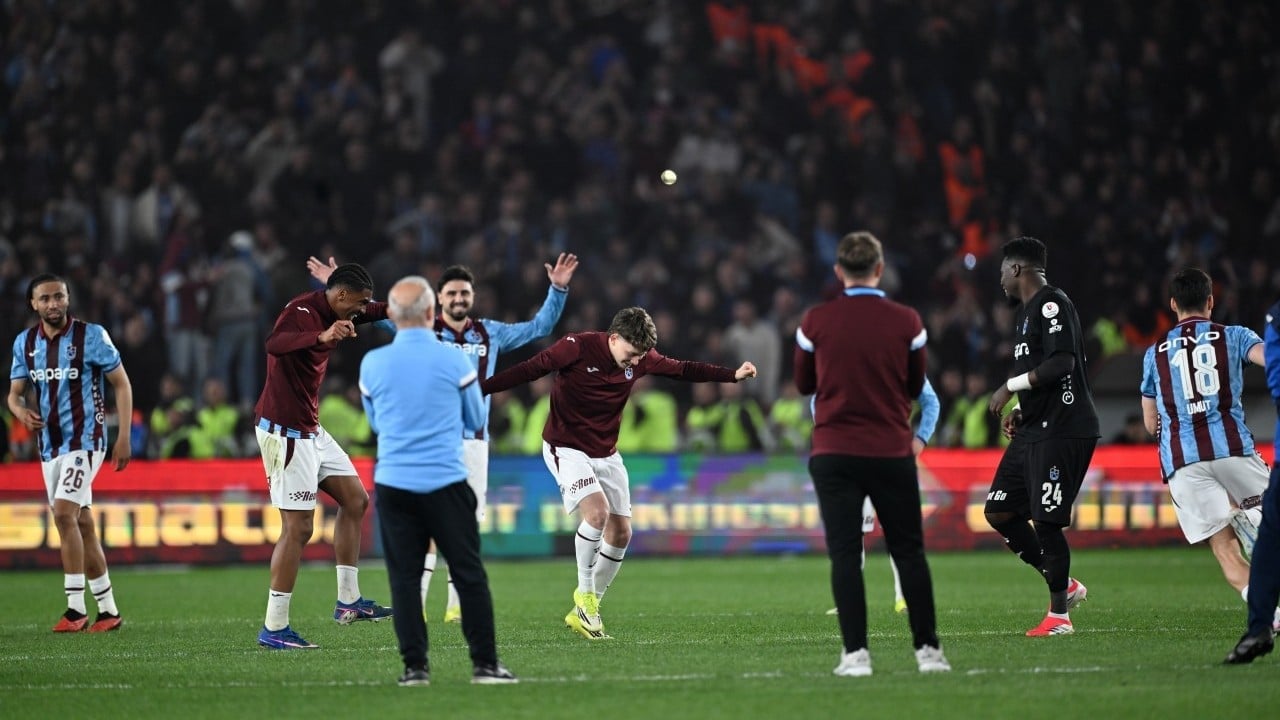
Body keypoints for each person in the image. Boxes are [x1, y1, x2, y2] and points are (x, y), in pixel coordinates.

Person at [310, 253, 578, 623]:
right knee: (428, 522)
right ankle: (417, 603)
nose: (458, 299)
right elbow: (378, 312)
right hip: (433, 439)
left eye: (464, 293)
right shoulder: (422, 329)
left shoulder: (490, 332)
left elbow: (539, 327)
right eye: (451, 293)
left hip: (473, 441)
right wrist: (336, 285)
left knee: (468, 521)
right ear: (438, 297)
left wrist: (558, 288)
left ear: (472, 297)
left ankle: (455, 605)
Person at [481, 306, 757, 640]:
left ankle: (588, 606)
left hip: (606, 453)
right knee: (596, 513)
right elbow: (530, 369)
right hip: (566, 447)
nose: (636, 362)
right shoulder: (576, 347)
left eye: (641, 356)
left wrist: (732, 375)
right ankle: (584, 597)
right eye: (630, 354)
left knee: (622, 532)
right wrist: (482, 388)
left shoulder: (640, 358)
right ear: (613, 339)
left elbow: (684, 369)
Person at [794, 231, 950, 677]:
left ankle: (856, 656)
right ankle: (928, 652)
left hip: (834, 451)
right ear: (880, 269)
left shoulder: (815, 322)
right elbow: (914, 386)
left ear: (839, 271)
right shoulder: (907, 321)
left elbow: (805, 385)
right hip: (889, 450)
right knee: (909, 552)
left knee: (845, 554)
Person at [359, 276, 517, 685]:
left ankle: (415, 668)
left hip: (394, 484)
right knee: (468, 573)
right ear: (432, 312)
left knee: (405, 580)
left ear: (392, 315)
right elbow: (475, 420)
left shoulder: (371, 365)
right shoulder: (455, 362)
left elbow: (376, 422)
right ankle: (485, 665)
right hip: (446, 481)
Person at [254, 263, 393, 650]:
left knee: (355, 499)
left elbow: (377, 310)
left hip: (311, 429)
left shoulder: (342, 305)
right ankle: (274, 627)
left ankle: (348, 602)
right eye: (359, 303)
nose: (362, 310)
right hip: (285, 432)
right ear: (341, 296)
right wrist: (322, 334)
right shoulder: (301, 312)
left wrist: (403, 307)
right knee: (298, 529)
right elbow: (274, 343)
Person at [1139, 269, 1273, 628]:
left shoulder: (1154, 355)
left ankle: (1272, 617)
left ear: (1172, 305)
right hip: (1234, 450)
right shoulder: (1234, 336)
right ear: (1211, 301)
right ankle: (1252, 519)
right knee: (1272, 525)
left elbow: (1151, 424)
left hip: (1183, 462)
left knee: (1224, 548)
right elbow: (1270, 357)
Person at [985, 236, 1098, 638]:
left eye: (1002, 269)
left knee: (1046, 522)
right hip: (1037, 426)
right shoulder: (1026, 314)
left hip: (1064, 430)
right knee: (999, 510)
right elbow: (1044, 375)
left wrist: (1008, 388)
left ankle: (1059, 617)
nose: (999, 278)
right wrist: (1023, 408)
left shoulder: (1052, 304)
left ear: (1017, 269)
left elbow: (1062, 363)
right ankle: (1065, 585)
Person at [7, 273, 133, 633]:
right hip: (50, 446)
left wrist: (122, 436)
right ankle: (108, 611)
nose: (53, 304)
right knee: (82, 524)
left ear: (67, 299)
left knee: (63, 515)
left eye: (59, 297)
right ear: (33, 304)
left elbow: (121, 384)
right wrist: (19, 411)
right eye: (45, 298)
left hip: (86, 440)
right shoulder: (25, 343)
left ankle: (75, 609)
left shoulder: (91, 336)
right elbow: (14, 394)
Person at [826, 377, 940, 616]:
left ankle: (903, 598)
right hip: (854, 457)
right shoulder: (846, 356)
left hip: (893, 458)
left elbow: (931, 401)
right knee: (851, 533)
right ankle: (850, 600)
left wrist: (920, 440)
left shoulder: (902, 356)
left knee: (899, 533)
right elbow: (819, 398)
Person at [1224, 296, 1280, 664]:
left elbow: (1276, 379)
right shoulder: (1244, 332)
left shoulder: (1276, 316)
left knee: (1269, 542)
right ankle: (1259, 627)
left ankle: (1260, 627)